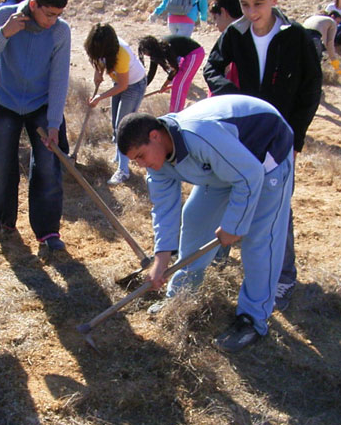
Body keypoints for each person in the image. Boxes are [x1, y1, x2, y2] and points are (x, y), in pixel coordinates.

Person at [116, 95, 294, 352]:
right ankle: (181, 294)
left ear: (155, 136)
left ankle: (252, 319)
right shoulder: (158, 162)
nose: (142, 165)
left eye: (141, 156)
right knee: (195, 219)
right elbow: (165, 210)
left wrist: (234, 224)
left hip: (265, 154)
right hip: (228, 167)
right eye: (135, 161)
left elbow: (249, 175)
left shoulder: (198, 135)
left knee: (259, 240)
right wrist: (161, 259)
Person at [202, 0, 322, 311]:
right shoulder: (235, 35)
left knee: (277, 206)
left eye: (259, 3)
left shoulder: (296, 37)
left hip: (281, 137)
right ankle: (220, 258)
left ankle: (283, 276)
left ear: (274, 0)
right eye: (245, 4)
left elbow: (311, 90)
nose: (252, 12)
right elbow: (212, 67)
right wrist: (233, 99)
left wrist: (295, 139)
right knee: (230, 192)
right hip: (244, 132)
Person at [0, 0, 71, 250]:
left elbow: (59, 78)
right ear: (34, 4)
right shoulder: (6, 16)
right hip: (6, 101)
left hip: (41, 105)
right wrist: (5, 33)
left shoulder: (61, 31)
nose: (53, 21)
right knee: (1, 162)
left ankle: (48, 232)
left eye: (58, 15)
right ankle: (2, 221)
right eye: (49, 14)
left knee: (48, 167)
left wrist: (54, 123)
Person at [85, 23, 147, 185]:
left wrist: (99, 97)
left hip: (134, 85)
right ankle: (120, 156)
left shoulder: (121, 53)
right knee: (115, 125)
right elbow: (99, 59)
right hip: (120, 83)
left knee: (123, 127)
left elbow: (123, 85)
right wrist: (97, 73)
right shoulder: (102, 46)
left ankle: (123, 170)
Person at [138, 34, 205, 113]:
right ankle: (175, 110)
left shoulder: (165, 48)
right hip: (187, 56)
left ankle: (175, 114)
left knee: (179, 84)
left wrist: (165, 85)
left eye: (145, 52)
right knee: (178, 82)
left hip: (195, 54)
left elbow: (174, 69)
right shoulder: (155, 52)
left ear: (150, 49)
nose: (145, 54)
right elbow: (151, 73)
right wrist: (141, 89)